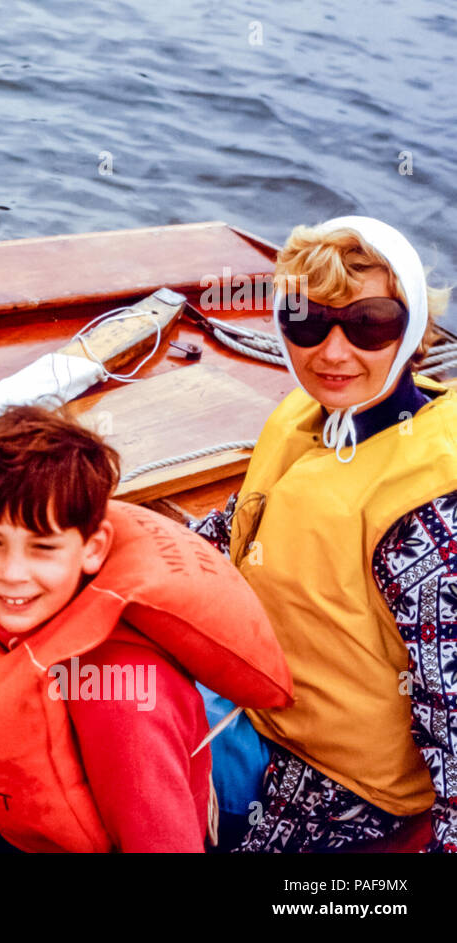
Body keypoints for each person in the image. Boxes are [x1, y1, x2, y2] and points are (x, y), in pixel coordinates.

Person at [0, 406, 291, 853]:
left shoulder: (118, 698)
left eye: (43, 548)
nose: (14, 574)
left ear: (93, 548)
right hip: (7, 822)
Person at [192, 216, 457, 853]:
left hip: (334, 778)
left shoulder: (427, 513)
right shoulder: (311, 420)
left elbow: (452, 712)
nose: (333, 352)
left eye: (369, 324)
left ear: (414, 326)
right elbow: (228, 532)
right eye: (308, 323)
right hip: (251, 699)